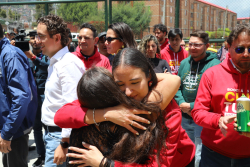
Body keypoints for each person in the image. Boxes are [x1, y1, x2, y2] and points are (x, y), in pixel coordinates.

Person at [55, 48, 195, 167]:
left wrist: (105, 163)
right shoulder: (112, 95)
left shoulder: (168, 109)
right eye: (120, 84)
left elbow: (157, 164)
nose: (128, 92)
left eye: (135, 82)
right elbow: (61, 116)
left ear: (148, 75)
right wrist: (106, 113)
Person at [191, 23, 250, 167]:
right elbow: (198, 112)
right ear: (228, 47)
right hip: (214, 155)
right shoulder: (212, 74)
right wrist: (218, 120)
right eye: (239, 49)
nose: (246, 53)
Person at [36, 14, 85, 167]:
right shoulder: (56, 63)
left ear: (57, 38)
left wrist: (64, 143)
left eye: (41, 36)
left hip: (60, 138)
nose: (37, 41)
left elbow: (73, 106)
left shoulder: (67, 65)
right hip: (53, 136)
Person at [174, 30, 220, 167]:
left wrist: (192, 106)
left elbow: (215, 93)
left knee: (199, 154)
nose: (192, 48)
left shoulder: (214, 65)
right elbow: (177, 86)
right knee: (186, 150)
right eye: (190, 44)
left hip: (202, 118)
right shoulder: (184, 63)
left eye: (197, 45)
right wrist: (182, 103)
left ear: (206, 46)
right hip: (184, 117)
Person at [0, 23, 38, 167]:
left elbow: (21, 98)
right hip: (8, 128)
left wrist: (7, 132)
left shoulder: (10, 55)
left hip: (14, 131)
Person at [24, 30, 49, 167]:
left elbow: (47, 67)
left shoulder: (46, 54)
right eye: (32, 38)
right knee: (37, 128)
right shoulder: (25, 56)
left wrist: (33, 57)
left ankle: (49, 153)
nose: (34, 40)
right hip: (33, 98)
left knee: (48, 127)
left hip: (45, 96)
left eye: (37, 37)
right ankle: (41, 155)